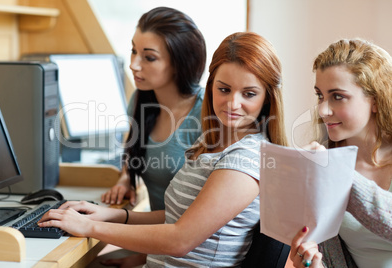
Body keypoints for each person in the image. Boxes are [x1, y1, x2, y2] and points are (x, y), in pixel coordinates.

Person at [38, 31, 288, 267]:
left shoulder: (246, 158)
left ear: (266, 97)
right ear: (211, 85)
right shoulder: (213, 143)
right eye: (224, 89)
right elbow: (178, 217)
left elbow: (180, 239)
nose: (233, 103)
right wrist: (111, 215)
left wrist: (89, 227)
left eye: (249, 94)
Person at [289, 38, 392, 268]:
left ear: (375, 100)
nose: (323, 110)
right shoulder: (323, 162)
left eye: (337, 96)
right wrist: (313, 264)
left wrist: (338, 175)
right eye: (320, 95)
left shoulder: (329, 167)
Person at [101, 6, 206, 209]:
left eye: (149, 57)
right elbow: (134, 152)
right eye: (133, 51)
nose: (134, 64)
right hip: (160, 235)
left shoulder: (205, 113)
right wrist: (126, 179)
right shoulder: (140, 99)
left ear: (180, 63)